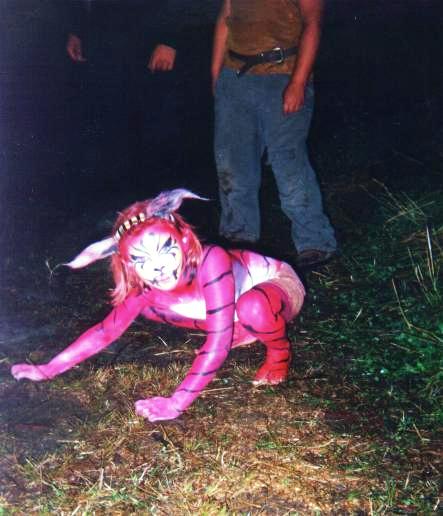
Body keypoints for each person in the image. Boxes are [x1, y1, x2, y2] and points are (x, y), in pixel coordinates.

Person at [11, 189, 305, 422]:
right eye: (141, 259)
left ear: (184, 240)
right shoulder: (144, 284)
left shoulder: (210, 259)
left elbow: (217, 342)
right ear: (127, 264)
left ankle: (279, 352)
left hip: (279, 289)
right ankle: (243, 326)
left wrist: (176, 403)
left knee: (252, 308)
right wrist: (48, 369)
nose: (158, 267)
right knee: (148, 306)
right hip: (227, 306)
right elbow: (105, 331)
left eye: (166, 249)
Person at [211, 0, 337, 268]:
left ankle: (314, 241)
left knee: (288, 162)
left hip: (283, 75)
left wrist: (298, 83)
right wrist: (216, 76)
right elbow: (225, 17)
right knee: (233, 165)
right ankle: (238, 243)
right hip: (235, 77)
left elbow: (313, 24)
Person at [63, 1, 183, 194]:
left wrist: (169, 40)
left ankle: (154, 199)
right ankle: (117, 198)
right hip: (103, 37)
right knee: (109, 125)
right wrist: (76, 29)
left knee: (153, 127)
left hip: (150, 36)